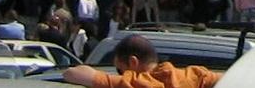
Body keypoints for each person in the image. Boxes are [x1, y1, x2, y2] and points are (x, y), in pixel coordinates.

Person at [64, 34, 229, 88]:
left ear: (133, 63)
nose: (120, 75)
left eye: (120, 69)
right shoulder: (196, 75)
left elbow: (72, 73)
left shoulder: (135, 83)